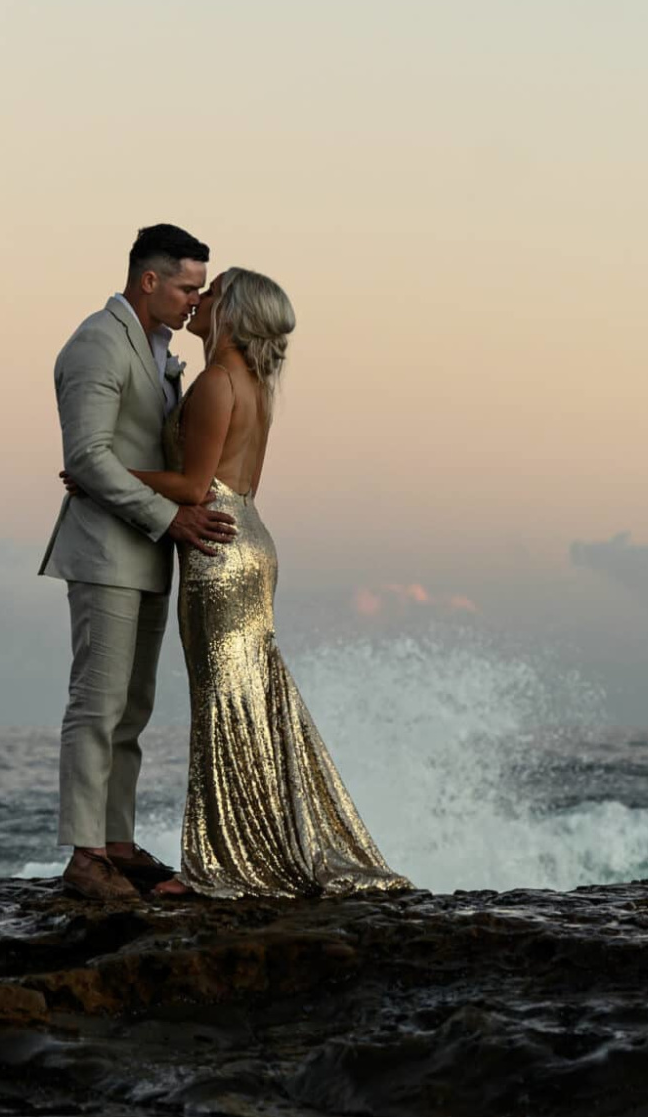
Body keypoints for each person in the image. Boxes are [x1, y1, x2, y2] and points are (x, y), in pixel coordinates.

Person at [65, 267, 410, 898]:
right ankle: (265, 846)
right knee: (252, 697)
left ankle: (228, 865)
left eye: (213, 293)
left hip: (216, 551)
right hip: (247, 535)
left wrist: (105, 473)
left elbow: (197, 488)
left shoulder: (215, 383)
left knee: (224, 704)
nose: (200, 301)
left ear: (235, 313)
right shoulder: (254, 385)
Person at [37, 224, 237, 902]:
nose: (194, 300)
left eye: (199, 289)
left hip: (151, 552)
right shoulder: (97, 341)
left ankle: (116, 843)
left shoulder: (159, 350)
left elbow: (129, 456)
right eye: (186, 286)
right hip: (106, 550)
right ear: (147, 280)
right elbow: (88, 456)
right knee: (95, 705)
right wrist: (169, 515)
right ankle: (85, 854)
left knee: (132, 709)